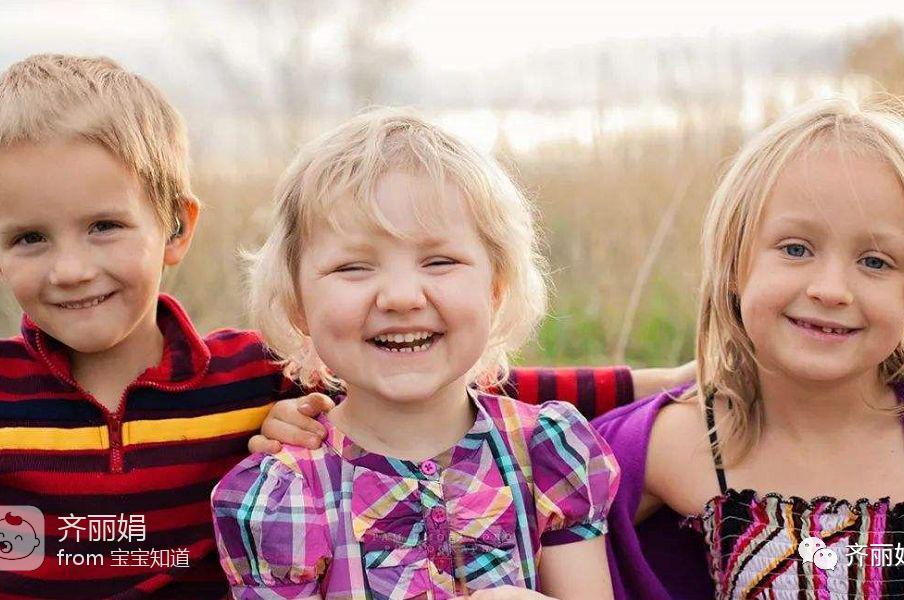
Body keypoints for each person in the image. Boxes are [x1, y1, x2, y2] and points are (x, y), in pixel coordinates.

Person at [0, 53, 688, 599]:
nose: (71, 269)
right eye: (30, 239)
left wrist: (663, 380)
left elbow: (467, 385)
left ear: (176, 229)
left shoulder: (249, 377)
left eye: (104, 227)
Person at [211, 108, 621, 599]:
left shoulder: (547, 453)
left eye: (440, 261)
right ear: (298, 304)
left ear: (495, 289)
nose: (401, 297)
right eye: (353, 267)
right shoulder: (286, 494)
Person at [599, 97, 904, 598]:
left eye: (875, 262)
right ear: (734, 263)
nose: (831, 290)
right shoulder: (676, 444)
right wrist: (631, 384)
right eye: (796, 249)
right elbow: (494, 425)